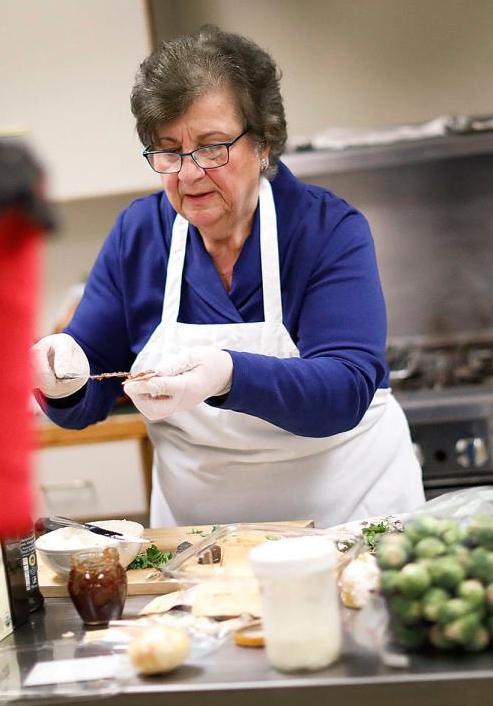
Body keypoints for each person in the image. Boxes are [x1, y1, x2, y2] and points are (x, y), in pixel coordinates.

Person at [31, 26, 424, 528]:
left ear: (263, 143)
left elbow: (343, 390)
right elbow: (86, 393)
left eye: (213, 147)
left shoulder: (327, 230)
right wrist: (58, 377)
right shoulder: (140, 235)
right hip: (202, 552)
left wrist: (226, 374)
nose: (188, 174)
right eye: (168, 151)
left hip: (347, 525)